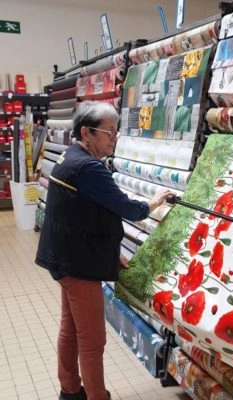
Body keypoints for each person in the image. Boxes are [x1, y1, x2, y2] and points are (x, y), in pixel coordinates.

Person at [35, 101, 175, 400]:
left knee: (71, 328)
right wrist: (156, 200)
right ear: (87, 132)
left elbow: (83, 215)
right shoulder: (88, 168)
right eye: (108, 133)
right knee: (92, 339)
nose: (114, 139)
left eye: (115, 133)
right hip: (77, 263)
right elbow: (128, 209)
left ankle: (70, 390)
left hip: (65, 256)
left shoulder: (69, 157)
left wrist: (110, 253)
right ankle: (97, 396)